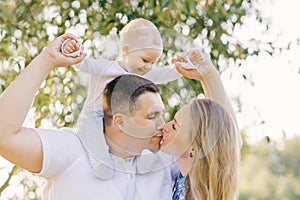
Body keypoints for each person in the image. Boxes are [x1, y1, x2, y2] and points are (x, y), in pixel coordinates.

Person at [0, 34, 178, 200]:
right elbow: (4, 135)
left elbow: (206, 160)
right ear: (120, 122)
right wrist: (48, 59)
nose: (163, 124)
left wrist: (206, 76)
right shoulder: (72, 150)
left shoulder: (164, 165)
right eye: (152, 116)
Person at [61, 18, 185, 179]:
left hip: (120, 123)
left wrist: (180, 67)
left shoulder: (142, 73)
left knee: (141, 134)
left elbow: (163, 74)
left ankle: (140, 161)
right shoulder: (106, 68)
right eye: (145, 60)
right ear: (126, 51)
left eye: (154, 62)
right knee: (94, 138)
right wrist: (72, 50)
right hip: (94, 115)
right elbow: (83, 64)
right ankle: (101, 163)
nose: (149, 66)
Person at [162, 52, 241, 200]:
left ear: (192, 150)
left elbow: (229, 139)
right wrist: (208, 75)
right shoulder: (181, 177)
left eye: (174, 126)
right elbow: (227, 136)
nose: (165, 126)